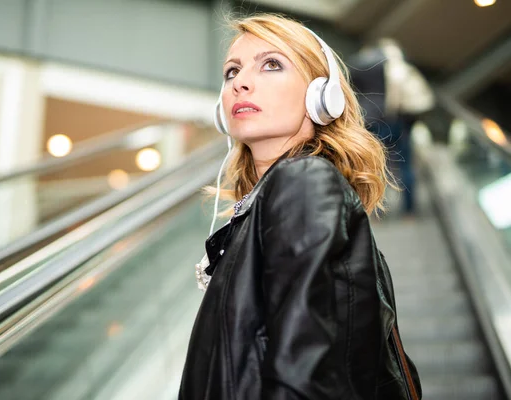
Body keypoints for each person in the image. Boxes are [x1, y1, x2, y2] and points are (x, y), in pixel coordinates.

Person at [179, 13, 422, 400]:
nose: (240, 82)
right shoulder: (269, 202)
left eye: (271, 64)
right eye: (231, 72)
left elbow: (301, 376)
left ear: (322, 96)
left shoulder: (304, 182)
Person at [349, 39, 435, 216]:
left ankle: (376, 208)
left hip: (370, 121)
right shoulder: (392, 64)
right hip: (396, 118)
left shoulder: (357, 64)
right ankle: (409, 210)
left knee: (374, 165)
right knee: (405, 164)